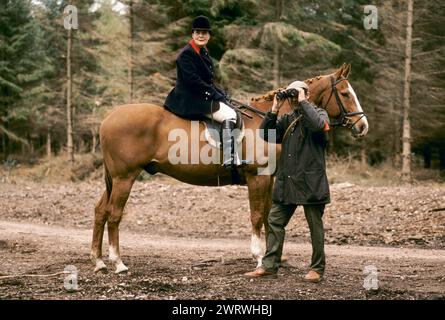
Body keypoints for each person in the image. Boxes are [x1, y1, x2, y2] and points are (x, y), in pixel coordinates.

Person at [244, 81, 331, 283]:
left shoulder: (320, 115)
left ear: (307, 95)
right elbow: (265, 134)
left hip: (310, 182)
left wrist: (302, 100)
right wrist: (274, 110)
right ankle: (269, 266)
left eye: (297, 95)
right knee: (274, 221)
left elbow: (318, 126)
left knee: (315, 228)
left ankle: (317, 269)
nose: (292, 100)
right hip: (288, 182)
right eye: (291, 96)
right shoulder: (287, 119)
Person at [164, 15, 240, 169]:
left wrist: (221, 93)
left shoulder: (202, 52)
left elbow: (207, 81)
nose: (201, 35)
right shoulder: (186, 54)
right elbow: (194, 81)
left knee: (231, 108)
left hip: (198, 95)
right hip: (189, 99)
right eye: (198, 32)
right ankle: (228, 157)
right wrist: (214, 94)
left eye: (204, 33)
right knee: (230, 115)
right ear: (192, 34)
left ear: (209, 36)